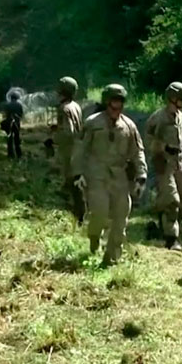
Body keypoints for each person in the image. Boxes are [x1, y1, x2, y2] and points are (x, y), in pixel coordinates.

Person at [71, 84, 147, 266]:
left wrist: (141, 175)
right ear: (106, 103)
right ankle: (94, 236)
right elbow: (80, 149)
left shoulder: (129, 126)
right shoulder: (92, 123)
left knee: (121, 215)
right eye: (113, 103)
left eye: (120, 103)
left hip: (120, 177)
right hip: (96, 175)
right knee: (99, 212)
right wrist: (78, 174)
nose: (117, 107)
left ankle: (112, 257)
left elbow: (138, 151)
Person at [144, 82, 182, 251]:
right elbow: (147, 139)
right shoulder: (159, 118)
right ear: (172, 97)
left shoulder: (181, 117)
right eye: (181, 99)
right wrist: (163, 147)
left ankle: (162, 228)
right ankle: (172, 239)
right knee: (172, 200)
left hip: (180, 163)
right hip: (164, 163)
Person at [52, 76, 84, 223]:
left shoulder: (63, 109)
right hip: (79, 148)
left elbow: (68, 131)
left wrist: (54, 138)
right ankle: (80, 215)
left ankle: (78, 217)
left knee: (73, 184)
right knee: (76, 182)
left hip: (70, 150)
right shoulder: (76, 106)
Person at [2, 91, 25, 158]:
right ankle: (19, 154)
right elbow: (21, 114)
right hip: (17, 124)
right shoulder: (19, 105)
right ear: (17, 98)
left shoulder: (7, 105)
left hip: (9, 123)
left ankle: (10, 154)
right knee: (17, 139)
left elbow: (5, 115)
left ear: (11, 98)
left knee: (9, 139)